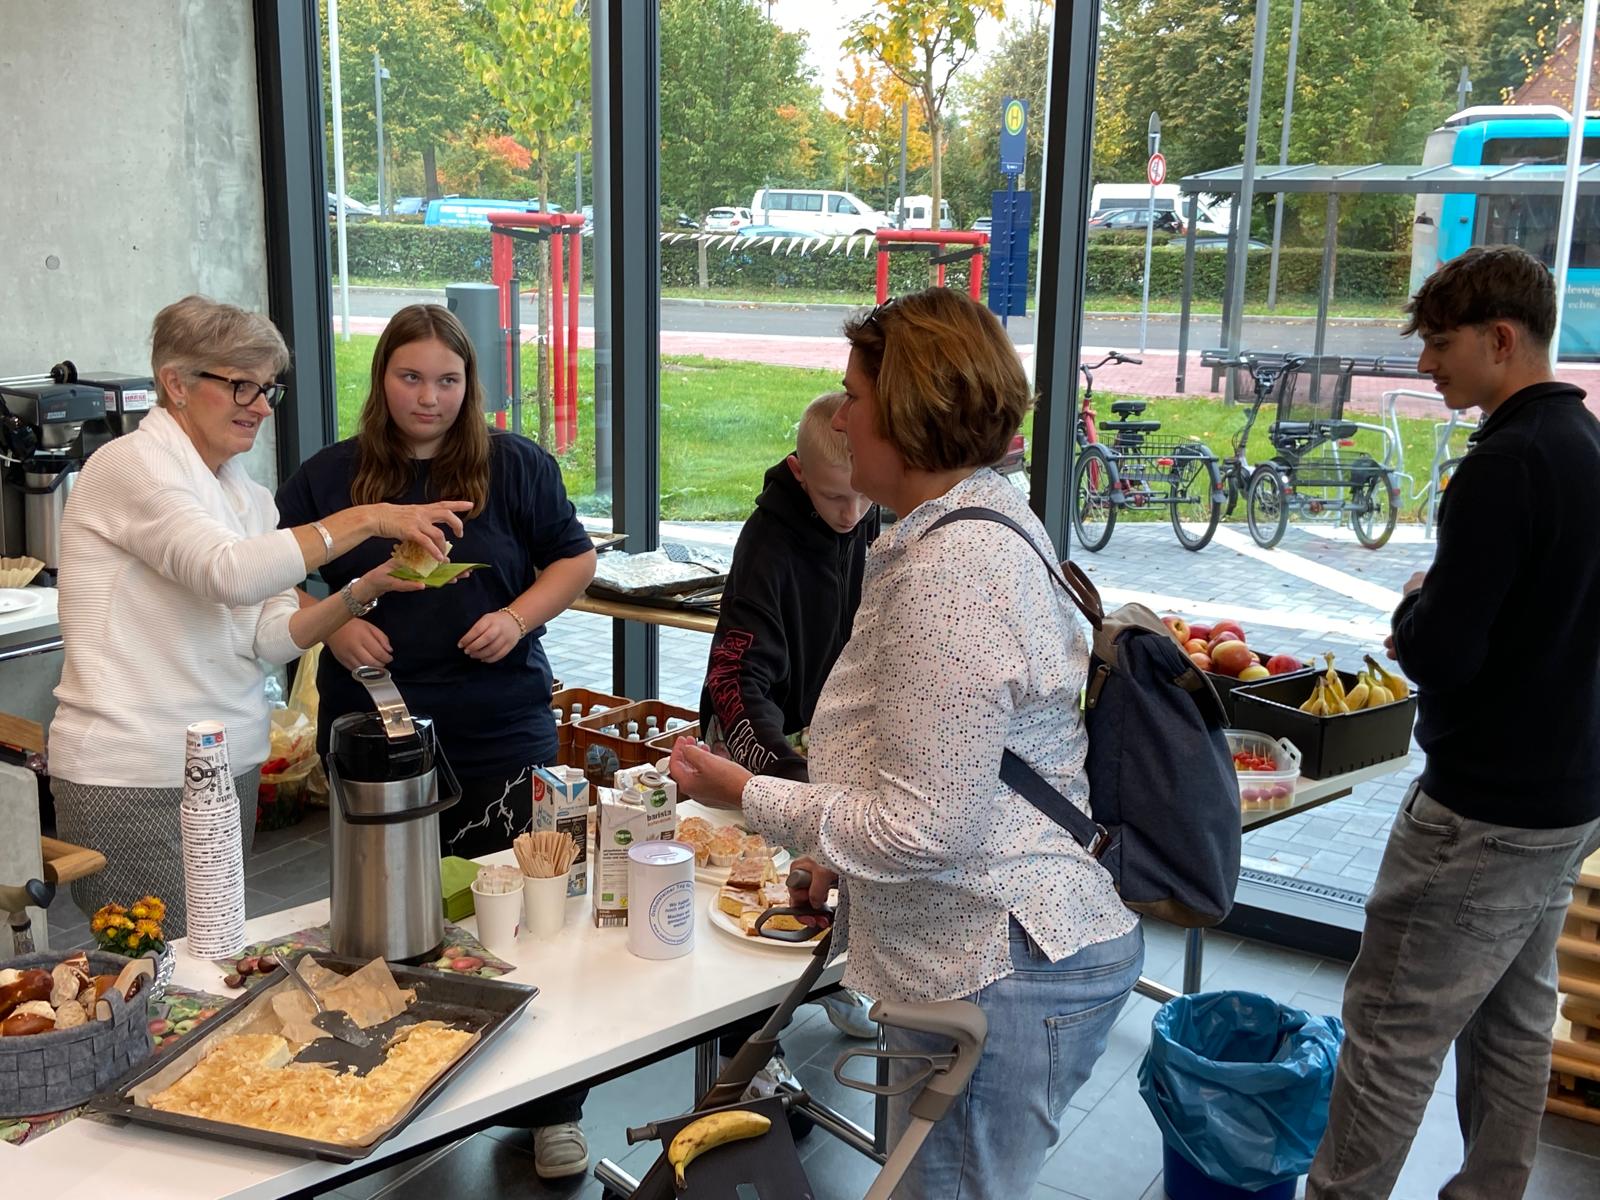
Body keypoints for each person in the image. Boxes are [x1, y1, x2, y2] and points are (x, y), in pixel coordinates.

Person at [671, 287, 1143, 1199]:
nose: (841, 416)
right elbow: (954, 776)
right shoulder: (971, 523)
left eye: (855, 395)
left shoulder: (952, 574)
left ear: (910, 414)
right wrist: (841, 860)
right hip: (986, 951)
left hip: (1000, 964)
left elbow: (927, 827)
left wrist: (749, 796)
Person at [274, 303, 597, 1181]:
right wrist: (335, 628)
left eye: (448, 380)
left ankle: (551, 1109)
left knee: (523, 910)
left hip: (502, 719)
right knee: (385, 920)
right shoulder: (328, 476)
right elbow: (279, 573)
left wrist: (518, 615)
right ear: (382, 379)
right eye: (411, 377)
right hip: (374, 723)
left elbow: (575, 559)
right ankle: (401, 1090)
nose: (430, 396)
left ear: (470, 386)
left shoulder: (517, 466)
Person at [1306, 246, 1600, 1199]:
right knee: (1516, 1022)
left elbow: (1439, 655)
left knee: (1390, 1033)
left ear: (1501, 339)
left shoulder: (1505, 466)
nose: (1427, 365)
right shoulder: (1589, 450)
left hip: (1480, 812)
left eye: (1440, 344)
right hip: (1567, 801)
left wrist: (1417, 605)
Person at [51, 295, 467, 936]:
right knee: (165, 975)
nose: (261, 405)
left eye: (268, 388)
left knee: (211, 951)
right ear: (176, 385)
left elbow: (272, 638)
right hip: (134, 769)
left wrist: (366, 587)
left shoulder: (242, 494)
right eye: (242, 385)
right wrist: (371, 517)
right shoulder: (131, 466)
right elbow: (226, 571)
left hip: (226, 761)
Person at [699, 391, 880, 1040]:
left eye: (861, 495)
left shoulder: (873, 518)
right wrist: (781, 776)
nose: (851, 513)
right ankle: (747, 1041)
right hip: (755, 735)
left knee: (827, 882)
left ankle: (830, 978)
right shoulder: (766, 544)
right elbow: (735, 678)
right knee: (752, 895)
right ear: (800, 473)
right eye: (835, 498)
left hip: (828, 743)